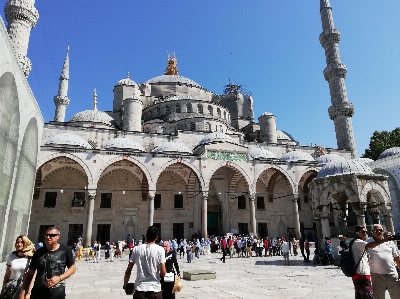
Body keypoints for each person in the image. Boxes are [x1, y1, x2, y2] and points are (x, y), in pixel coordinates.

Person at [19, 227, 76, 299]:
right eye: (46, 235)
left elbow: (73, 268)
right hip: (38, 292)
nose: (48, 237)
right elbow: (30, 273)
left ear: (58, 236)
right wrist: (23, 291)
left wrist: (59, 278)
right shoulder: (38, 252)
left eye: (51, 235)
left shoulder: (65, 250)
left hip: (56, 292)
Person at [123, 225, 166, 299]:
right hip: (155, 290)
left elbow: (128, 270)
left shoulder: (136, 249)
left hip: (140, 290)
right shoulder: (160, 250)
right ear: (156, 238)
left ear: (146, 236)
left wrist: (125, 285)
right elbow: (163, 273)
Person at [366, 224, 400, 299]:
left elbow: (397, 258)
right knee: (378, 296)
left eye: (380, 230)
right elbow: (368, 246)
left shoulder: (390, 242)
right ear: (372, 232)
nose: (379, 232)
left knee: (396, 296)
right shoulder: (368, 241)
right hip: (377, 275)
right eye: (376, 230)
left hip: (391, 273)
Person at [350, 225, 373, 299]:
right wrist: (383, 240)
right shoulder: (358, 242)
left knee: (359, 295)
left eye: (366, 232)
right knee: (367, 295)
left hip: (357, 273)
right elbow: (371, 245)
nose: (365, 233)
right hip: (362, 273)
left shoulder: (353, 241)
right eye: (363, 232)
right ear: (357, 233)